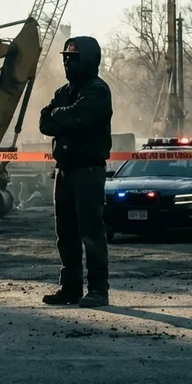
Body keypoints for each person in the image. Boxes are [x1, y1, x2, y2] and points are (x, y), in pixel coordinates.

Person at [38, 36, 113, 308]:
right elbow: (44, 122)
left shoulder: (98, 90)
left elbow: (81, 116)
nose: (67, 62)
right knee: (66, 233)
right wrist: (64, 116)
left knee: (91, 232)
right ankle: (70, 288)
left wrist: (60, 116)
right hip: (65, 170)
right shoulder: (64, 92)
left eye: (74, 58)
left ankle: (98, 290)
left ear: (89, 60)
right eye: (66, 57)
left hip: (88, 171)